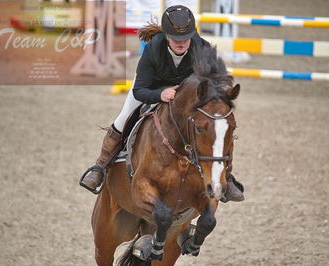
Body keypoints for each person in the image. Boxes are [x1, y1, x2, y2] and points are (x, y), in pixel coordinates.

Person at [81, 5, 244, 202]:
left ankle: (228, 176)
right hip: (152, 87)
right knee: (124, 116)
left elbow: (215, 87)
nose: (182, 43)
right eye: (176, 38)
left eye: (186, 38)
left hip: (188, 95)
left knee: (219, 126)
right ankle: (100, 166)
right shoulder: (154, 48)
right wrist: (160, 94)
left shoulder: (203, 48)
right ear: (166, 35)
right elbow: (139, 90)